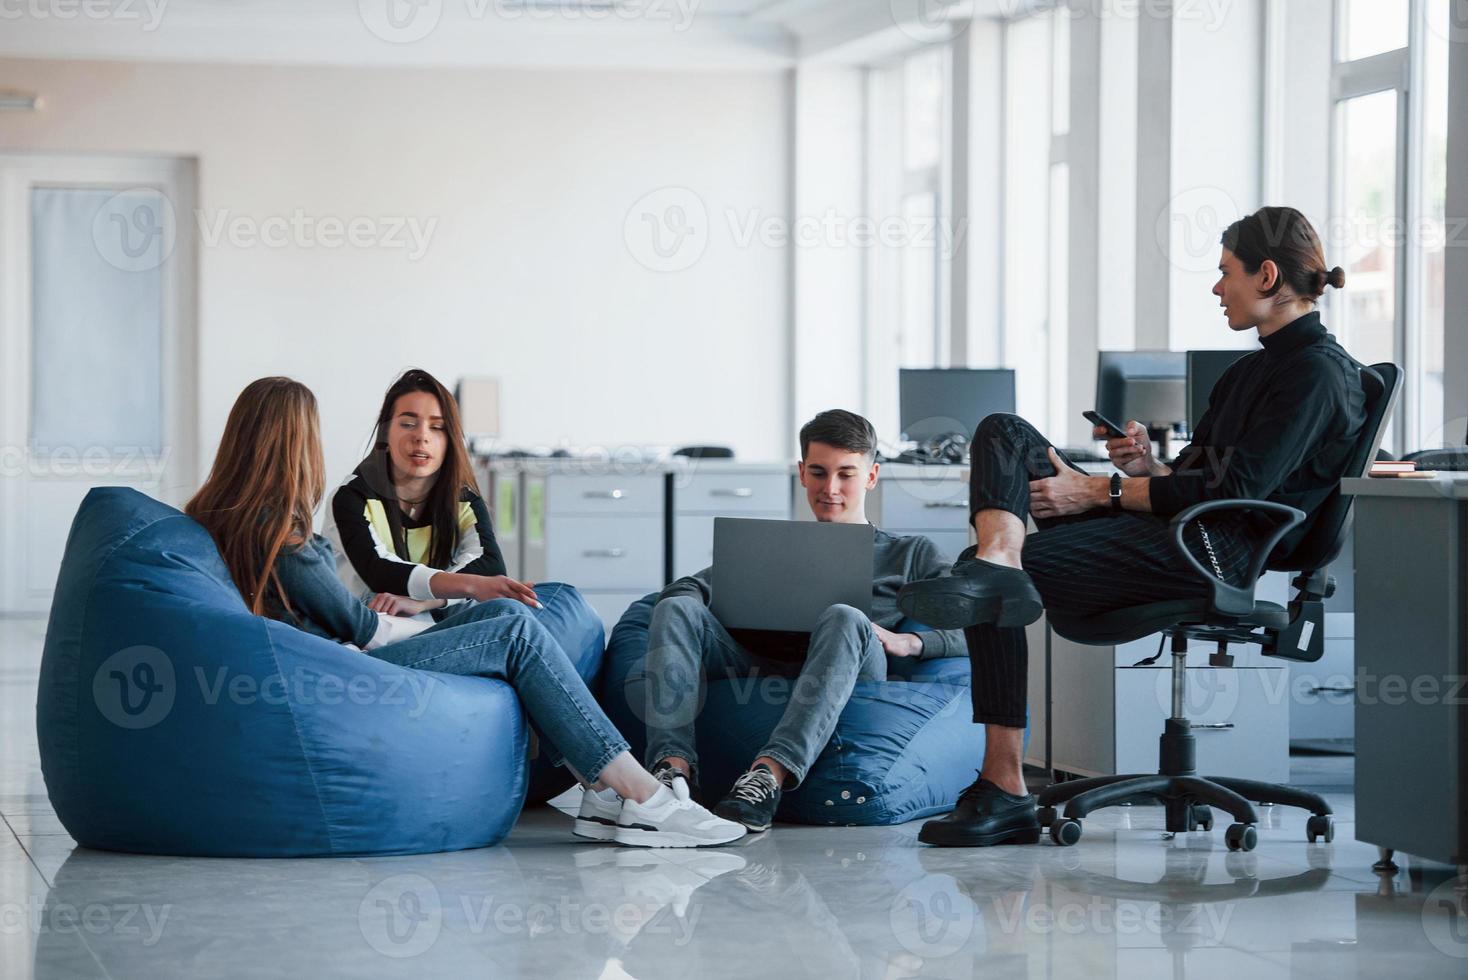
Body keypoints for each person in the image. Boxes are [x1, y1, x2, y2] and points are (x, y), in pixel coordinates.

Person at [898, 205, 1367, 847]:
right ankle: (998, 560)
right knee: (1000, 431)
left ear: (1265, 276)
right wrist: (1143, 464)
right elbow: (1202, 476)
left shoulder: (1316, 372)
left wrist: (1100, 488)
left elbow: (1235, 492)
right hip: (1182, 532)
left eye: (1224, 272)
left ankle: (1004, 782)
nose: (1215, 287)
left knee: (991, 580)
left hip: (1213, 553)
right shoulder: (1250, 370)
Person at [186, 376, 745, 848]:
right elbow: (358, 625)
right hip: (351, 668)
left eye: (434, 427)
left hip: (339, 657)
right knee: (516, 631)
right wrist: (434, 615)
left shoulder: (223, 515)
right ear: (294, 446)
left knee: (517, 619)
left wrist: (433, 605)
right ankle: (641, 794)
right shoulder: (286, 534)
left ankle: (602, 792)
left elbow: (475, 574)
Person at [643, 409, 968, 832]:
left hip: (853, 667)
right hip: (761, 660)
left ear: (871, 477)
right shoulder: (779, 547)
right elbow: (684, 589)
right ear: (801, 473)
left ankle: (768, 776)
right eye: (818, 473)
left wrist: (909, 643)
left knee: (845, 616)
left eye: (845, 474)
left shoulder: (910, 553)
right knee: (674, 607)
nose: (830, 488)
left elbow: (971, 622)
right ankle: (672, 773)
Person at [330, 368, 538, 619]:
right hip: (372, 633)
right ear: (386, 433)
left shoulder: (463, 499)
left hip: (432, 624)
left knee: (560, 595)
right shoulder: (350, 497)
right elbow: (380, 571)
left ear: (450, 440)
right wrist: (472, 586)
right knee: (518, 624)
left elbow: (489, 566)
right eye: (407, 424)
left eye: (437, 427)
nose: (422, 436)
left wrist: (427, 602)